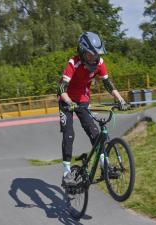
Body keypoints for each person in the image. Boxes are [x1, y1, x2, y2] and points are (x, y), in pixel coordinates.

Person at [57, 31, 127, 186]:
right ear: (82, 51)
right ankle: (66, 173)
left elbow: (108, 84)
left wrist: (120, 99)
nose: (94, 58)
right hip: (66, 99)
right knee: (69, 134)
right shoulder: (73, 63)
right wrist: (69, 102)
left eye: (96, 55)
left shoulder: (100, 63)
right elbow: (62, 88)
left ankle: (105, 165)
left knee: (94, 132)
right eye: (90, 55)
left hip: (82, 100)